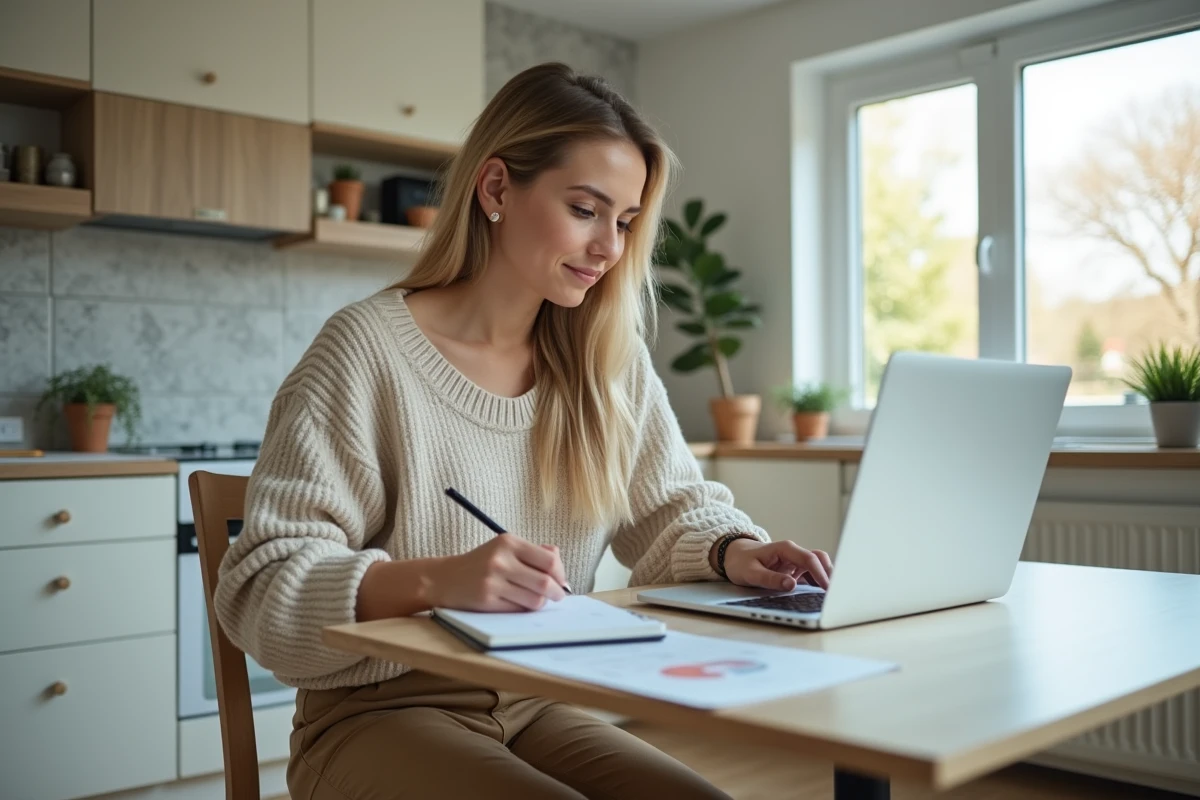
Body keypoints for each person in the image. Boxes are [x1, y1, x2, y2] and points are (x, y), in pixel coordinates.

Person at [215, 61, 833, 800]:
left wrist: (738, 551)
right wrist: (436, 580)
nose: (609, 246)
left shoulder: (606, 359)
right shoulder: (365, 350)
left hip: (539, 701)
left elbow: (672, 511)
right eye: (585, 209)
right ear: (498, 188)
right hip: (375, 715)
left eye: (626, 221)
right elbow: (257, 591)